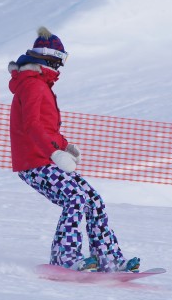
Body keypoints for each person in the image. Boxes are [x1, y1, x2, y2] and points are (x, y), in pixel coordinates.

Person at [8, 26, 140, 273]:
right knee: (75, 198)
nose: (62, 67)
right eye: (61, 59)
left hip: (45, 159)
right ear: (50, 58)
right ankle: (65, 258)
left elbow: (46, 126)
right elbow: (32, 126)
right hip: (35, 163)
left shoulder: (39, 84)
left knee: (93, 200)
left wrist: (64, 146)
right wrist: (54, 153)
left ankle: (108, 259)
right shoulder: (33, 85)